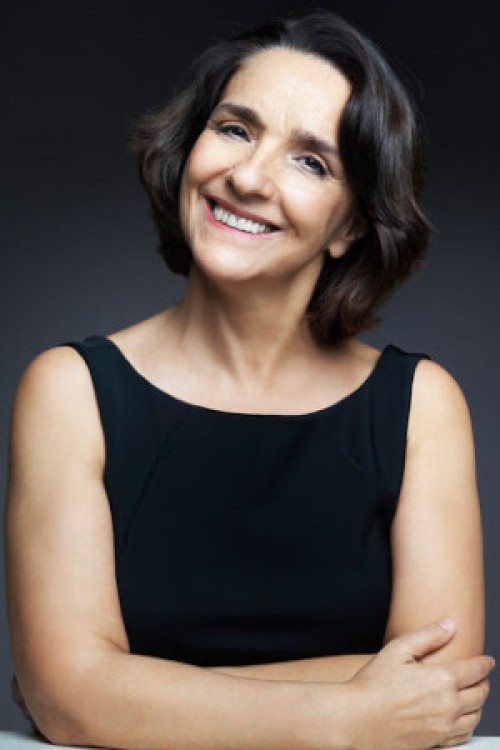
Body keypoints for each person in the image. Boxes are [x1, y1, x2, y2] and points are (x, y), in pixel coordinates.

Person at [5, 10, 493, 750]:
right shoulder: (68, 391)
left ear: (352, 226)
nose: (248, 177)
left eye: (311, 162)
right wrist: (346, 716)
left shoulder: (423, 404)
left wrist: (121, 693)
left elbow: (440, 686)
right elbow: (67, 695)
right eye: (235, 129)